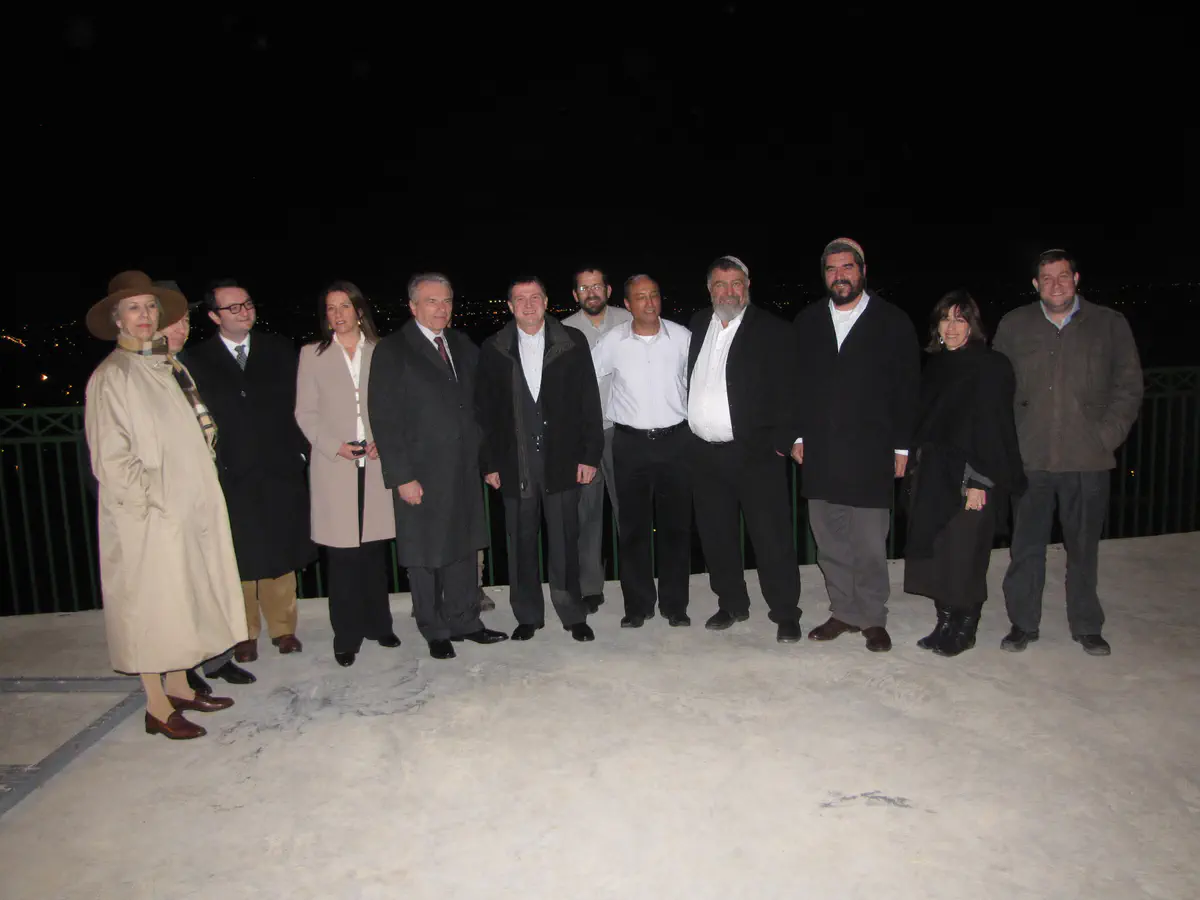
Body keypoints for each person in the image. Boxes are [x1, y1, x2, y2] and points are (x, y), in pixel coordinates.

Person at [84, 271, 244, 740]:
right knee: (151, 611)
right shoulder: (113, 376)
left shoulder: (164, 364)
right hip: (149, 519)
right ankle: (156, 706)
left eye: (151, 306)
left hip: (185, 510)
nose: (145, 315)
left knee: (181, 602)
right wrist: (155, 503)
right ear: (118, 319)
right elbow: (112, 461)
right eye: (133, 308)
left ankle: (180, 687)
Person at [994, 249, 1143, 656]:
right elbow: (997, 387)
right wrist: (1009, 442)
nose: (1055, 284)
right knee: (1026, 547)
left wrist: (1106, 436)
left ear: (1076, 279)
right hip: (1031, 458)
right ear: (1035, 285)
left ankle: (1087, 625)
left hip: (1087, 460)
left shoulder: (1109, 324)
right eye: (1047, 278)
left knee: (1083, 548)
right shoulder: (1015, 324)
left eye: (1063, 276)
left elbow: (1129, 386)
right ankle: (1023, 623)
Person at [369, 273, 507, 659]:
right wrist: (402, 477)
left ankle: (465, 621)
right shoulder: (393, 349)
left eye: (446, 300)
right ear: (413, 306)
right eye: (432, 301)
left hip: (462, 468)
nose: (441, 308)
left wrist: (487, 460)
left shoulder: (461, 344)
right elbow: (384, 418)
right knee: (425, 553)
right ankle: (434, 629)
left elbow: (480, 402)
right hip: (421, 473)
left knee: (463, 547)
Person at [793, 238, 920, 652]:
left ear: (863, 271)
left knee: (867, 543)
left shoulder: (892, 321)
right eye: (831, 269)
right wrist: (797, 436)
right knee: (829, 541)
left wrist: (902, 447)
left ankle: (872, 617)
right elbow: (794, 385)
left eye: (847, 267)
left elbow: (907, 388)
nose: (839, 276)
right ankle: (844, 612)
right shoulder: (808, 320)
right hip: (821, 451)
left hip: (871, 452)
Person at [185, 279, 316, 665]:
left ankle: (283, 628)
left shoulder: (279, 349)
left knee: (280, 547)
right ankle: (243, 632)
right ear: (214, 316)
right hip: (232, 471)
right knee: (239, 552)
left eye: (247, 304)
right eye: (233, 308)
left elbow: (301, 404)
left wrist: (301, 452)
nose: (244, 312)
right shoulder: (197, 359)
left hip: (279, 466)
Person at [476, 277, 602, 642]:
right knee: (520, 544)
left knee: (565, 541)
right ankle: (528, 615)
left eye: (535, 297)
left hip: (562, 460)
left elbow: (588, 401)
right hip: (515, 463)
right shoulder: (494, 348)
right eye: (520, 299)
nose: (528, 304)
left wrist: (589, 455)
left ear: (546, 301)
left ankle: (572, 613)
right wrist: (489, 463)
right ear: (510, 306)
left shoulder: (572, 342)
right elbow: (485, 412)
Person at [902, 291, 1026, 656]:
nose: (952, 327)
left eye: (960, 319)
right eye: (945, 319)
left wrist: (979, 481)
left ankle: (965, 628)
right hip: (934, 476)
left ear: (973, 324)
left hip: (971, 478)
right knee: (938, 552)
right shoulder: (937, 365)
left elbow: (994, 430)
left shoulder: (991, 366)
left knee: (966, 555)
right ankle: (944, 622)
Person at [687, 255, 803, 643]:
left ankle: (785, 611)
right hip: (705, 454)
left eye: (736, 283)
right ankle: (732, 603)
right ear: (709, 289)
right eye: (720, 285)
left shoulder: (773, 330)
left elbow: (792, 392)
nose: (729, 292)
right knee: (716, 535)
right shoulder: (698, 324)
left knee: (770, 537)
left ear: (747, 286)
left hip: (755, 454)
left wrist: (782, 443)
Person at [150, 298, 258, 696]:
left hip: (202, 489)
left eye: (184, 321)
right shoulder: (143, 372)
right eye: (170, 323)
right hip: (167, 498)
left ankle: (215, 659)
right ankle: (181, 669)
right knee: (176, 590)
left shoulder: (180, 366)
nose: (180, 329)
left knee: (208, 580)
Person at [296, 281, 400, 667]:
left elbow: (394, 405)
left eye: (344, 306)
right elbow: (305, 412)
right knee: (341, 557)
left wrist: (382, 440)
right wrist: (333, 445)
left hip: (374, 463)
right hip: (334, 466)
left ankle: (379, 624)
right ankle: (346, 634)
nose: (338, 314)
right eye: (331, 308)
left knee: (373, 551)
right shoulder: (312, 354)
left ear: (359, 310)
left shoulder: (381, 350)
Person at [592, 274, 692, 627]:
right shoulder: (613, 341)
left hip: (675, 442)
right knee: (633, 528)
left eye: (654, 295)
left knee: (676, 528)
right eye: (640, 297)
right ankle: (638, 606)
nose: (649, 302)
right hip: (629, 444)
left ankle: (675, 606)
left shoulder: (682, 337)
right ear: (627, 304)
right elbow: (586, 377)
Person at [562, 266, 633, 612]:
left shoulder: (628, 320)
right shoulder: (563, 330)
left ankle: (636, 583)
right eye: (584, 288)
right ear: (575, 294)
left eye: (596, 286)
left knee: (628, 511)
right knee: (586, 514)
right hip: (584, 437)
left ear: (608, 289)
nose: (591, 293)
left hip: (623, 431)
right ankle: (590, 587)